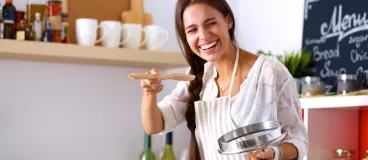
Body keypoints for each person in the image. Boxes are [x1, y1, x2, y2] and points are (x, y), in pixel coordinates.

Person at [139, 0, 308, 160]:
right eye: (192, 30)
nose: (203, 35)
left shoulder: (269, 72)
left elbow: (299, 140)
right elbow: (153, 126)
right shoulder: (196, 76)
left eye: (210, 23)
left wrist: (274, 153)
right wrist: (149, 93)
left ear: (228, 20)